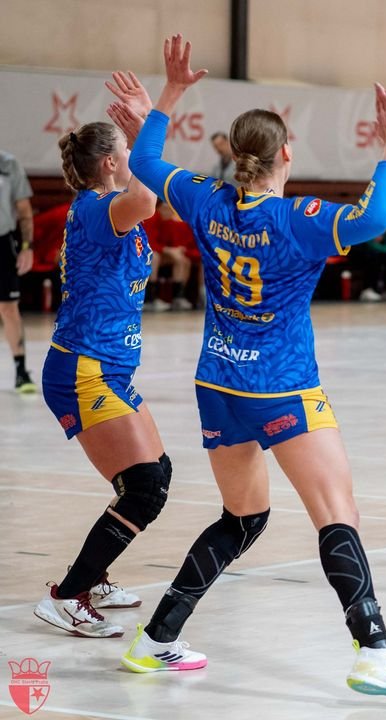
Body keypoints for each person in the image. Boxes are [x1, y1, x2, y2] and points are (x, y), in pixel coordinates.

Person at [112, 34, 386, 706]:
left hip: (217, 383)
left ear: (238, 155)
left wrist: (168, 96)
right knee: (337, 512)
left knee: (243, 516)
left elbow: (144, 160)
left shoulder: (206, 198)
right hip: (283, 386)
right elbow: (377, 218)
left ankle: (156, 637)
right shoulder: (299, 220)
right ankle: (376, 653)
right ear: (286, 154)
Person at [33, 72, 169, 639]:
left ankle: (96, 576)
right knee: (145, 488)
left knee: (154, 474)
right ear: (112, 163)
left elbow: (160, 196)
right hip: (83, 368)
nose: (135, 156)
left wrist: (146, 129)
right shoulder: (97, 208)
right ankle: (68, 596)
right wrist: (152, 119)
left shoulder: (112, 207)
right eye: (127, 150)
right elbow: (148, 196)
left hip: (108, 365)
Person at [0, 149, 37, 392]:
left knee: (8, 307)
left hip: (3, 241)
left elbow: (24, 210)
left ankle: (21, 371)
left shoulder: (8, 164)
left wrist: (27, 247)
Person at [142, 202, 194, 311]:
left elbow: (168, 242)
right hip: (142, 253)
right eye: (167, 209)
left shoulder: (166, 222)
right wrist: (168, 250)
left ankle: (177, 298)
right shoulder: (151, 217)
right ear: (159, 208)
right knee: (155, 257)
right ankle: (150, 299)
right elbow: (149, 244)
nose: (170, 213)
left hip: (159, 252)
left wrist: (176, 249)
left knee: (182, 260)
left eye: (171, 210)